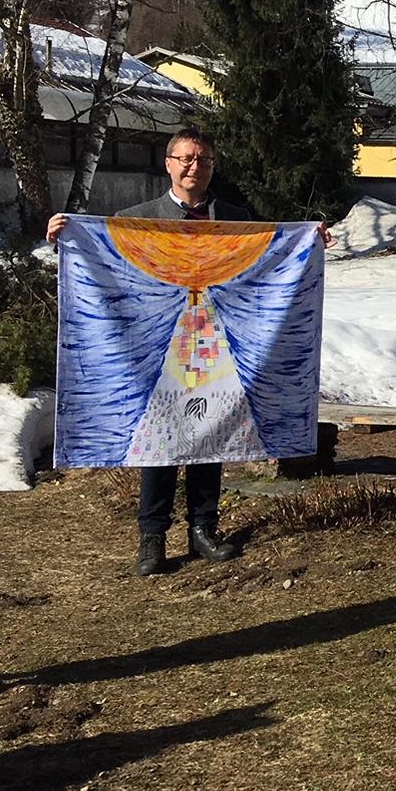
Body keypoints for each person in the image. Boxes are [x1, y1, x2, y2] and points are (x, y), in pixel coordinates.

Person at [46, 127, 329, 577]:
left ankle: (203, 529)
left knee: (210, 433)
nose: (193, 166)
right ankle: (152, 537)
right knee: (159, 441)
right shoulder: (136, 217)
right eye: (184, 158)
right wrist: (67, 237)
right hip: (157, 350)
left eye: (202, 159)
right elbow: (111, 265)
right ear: (169, 163)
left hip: (214, 343)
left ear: (213, 165)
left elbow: (266, 259)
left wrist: (308, 240)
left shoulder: (235, 218)